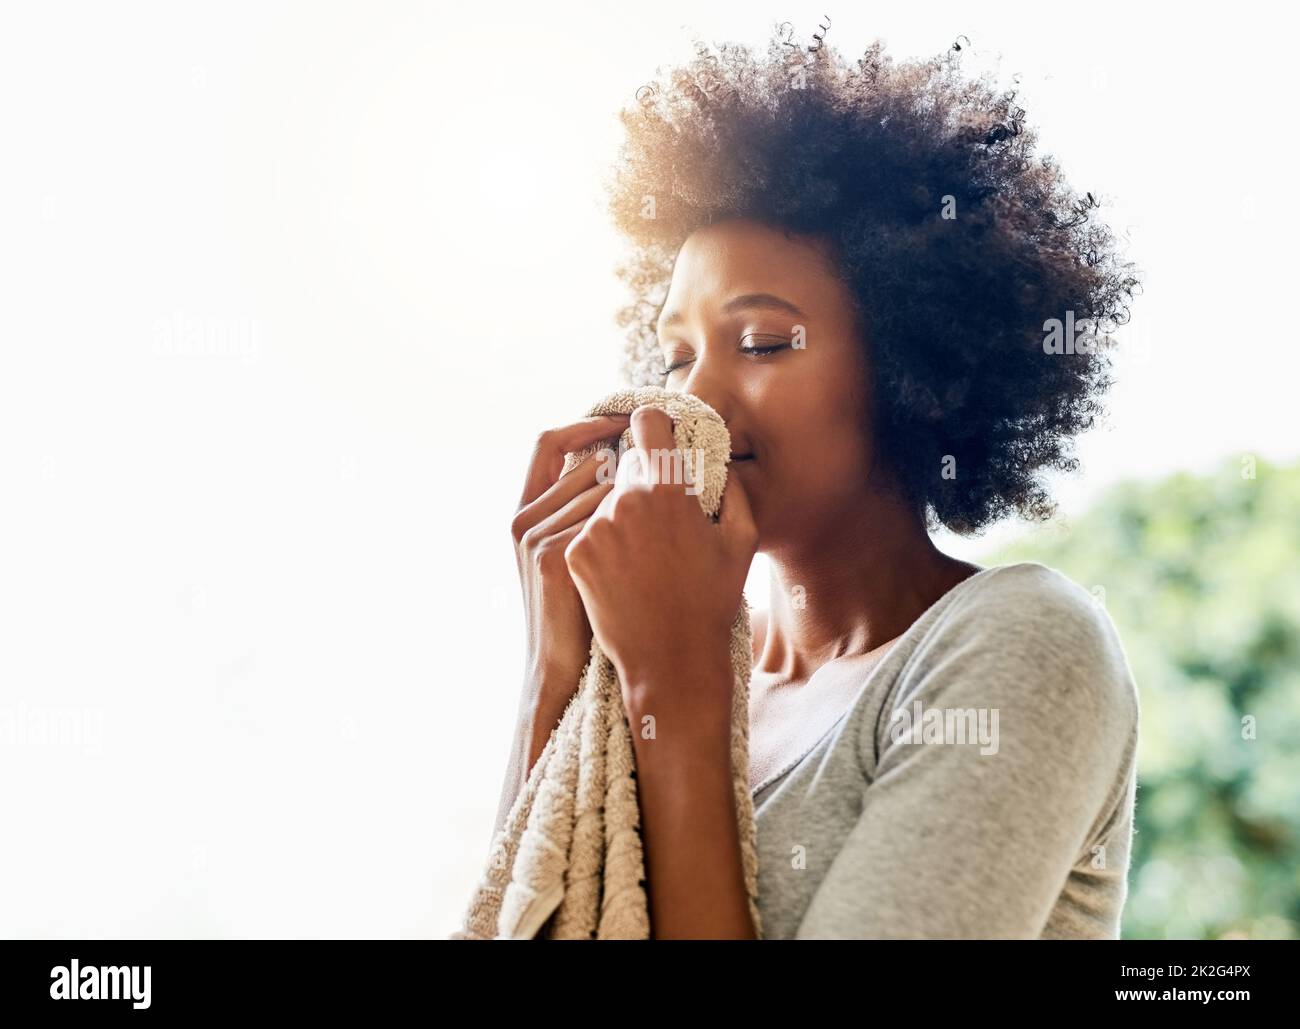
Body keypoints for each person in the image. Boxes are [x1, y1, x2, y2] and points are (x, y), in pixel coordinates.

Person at [501, 26, 1142, 939]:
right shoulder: (659, 656)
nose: (698, 398)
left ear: (908, 366)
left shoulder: (1022, 641)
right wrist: (555, 669)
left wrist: (671, 683)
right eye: (675, 356)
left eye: (761, 343)